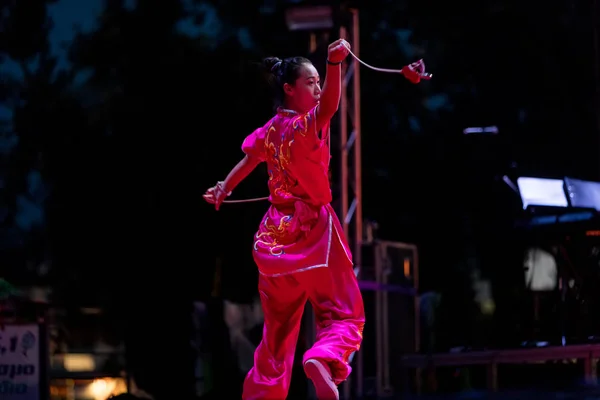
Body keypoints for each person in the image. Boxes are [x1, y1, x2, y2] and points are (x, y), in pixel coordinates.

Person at [204, 38, 365, 400]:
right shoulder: (307, 126)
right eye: (312, 82)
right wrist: (335, 64)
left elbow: (248, 160)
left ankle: (262, 396)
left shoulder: (270, 130)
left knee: (275, 336)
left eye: (319, 81)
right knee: (345, 315)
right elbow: (332, 106)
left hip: (275, 246)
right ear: (289, 90)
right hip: (313, 235)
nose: (319, 87)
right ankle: (323, 359)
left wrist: (223, 188)